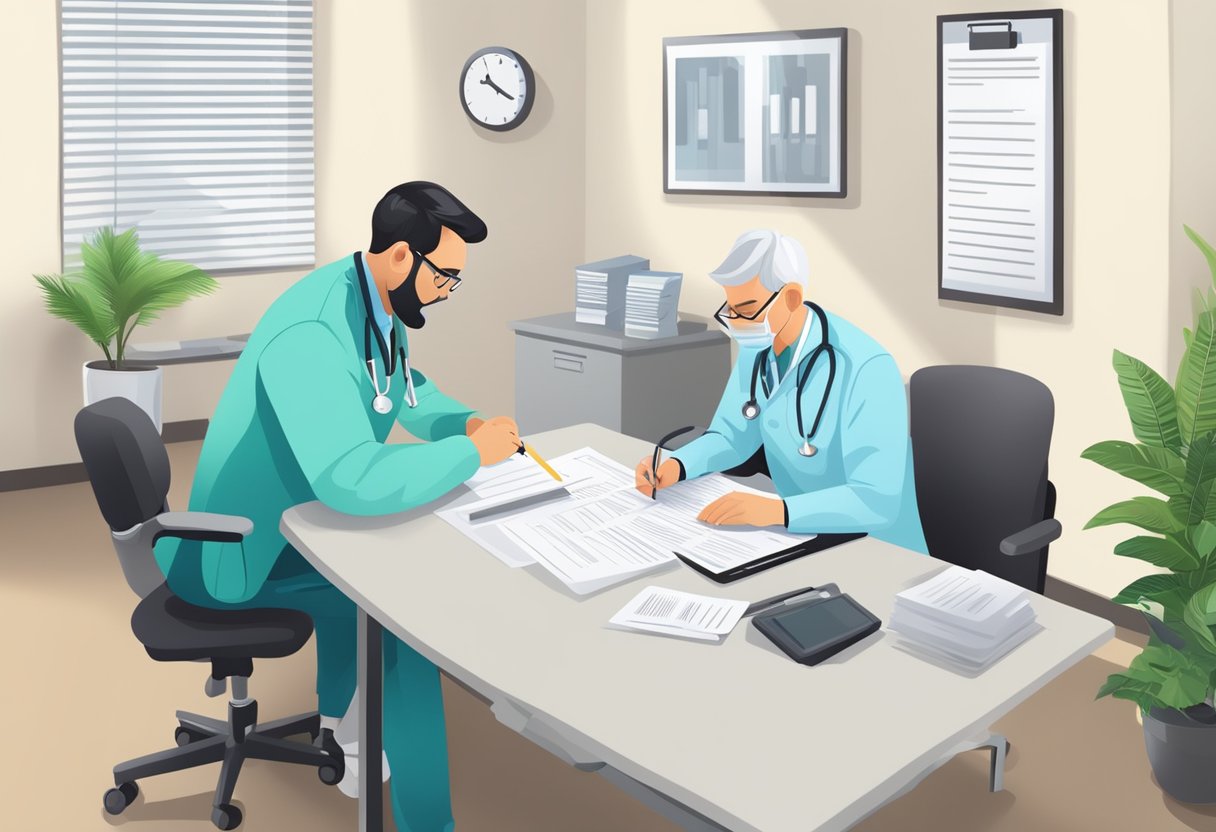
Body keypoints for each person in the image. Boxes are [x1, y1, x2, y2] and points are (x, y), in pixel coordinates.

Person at [154, 181, 519, 832]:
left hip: (293, 527)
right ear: (404, 256)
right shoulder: (312, 333)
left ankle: (341, 726)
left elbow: (407, 390)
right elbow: (349, 475)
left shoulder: (372, 300)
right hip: (232, 555)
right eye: (446, 276)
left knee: (382, 581)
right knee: (402, 618)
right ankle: (422, 820)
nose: (447, 290)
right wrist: (473, 457)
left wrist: (465, 426)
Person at [634, 229, 928, 553]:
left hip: (879, 548)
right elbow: (732, 436)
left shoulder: (868, 366)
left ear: (791, 298)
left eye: (747, 309)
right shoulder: (758, 346)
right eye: (730, 310)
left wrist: (777, 511)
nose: (737, 322)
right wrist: (677, 465)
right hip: (799, 535)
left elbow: (876, 500)